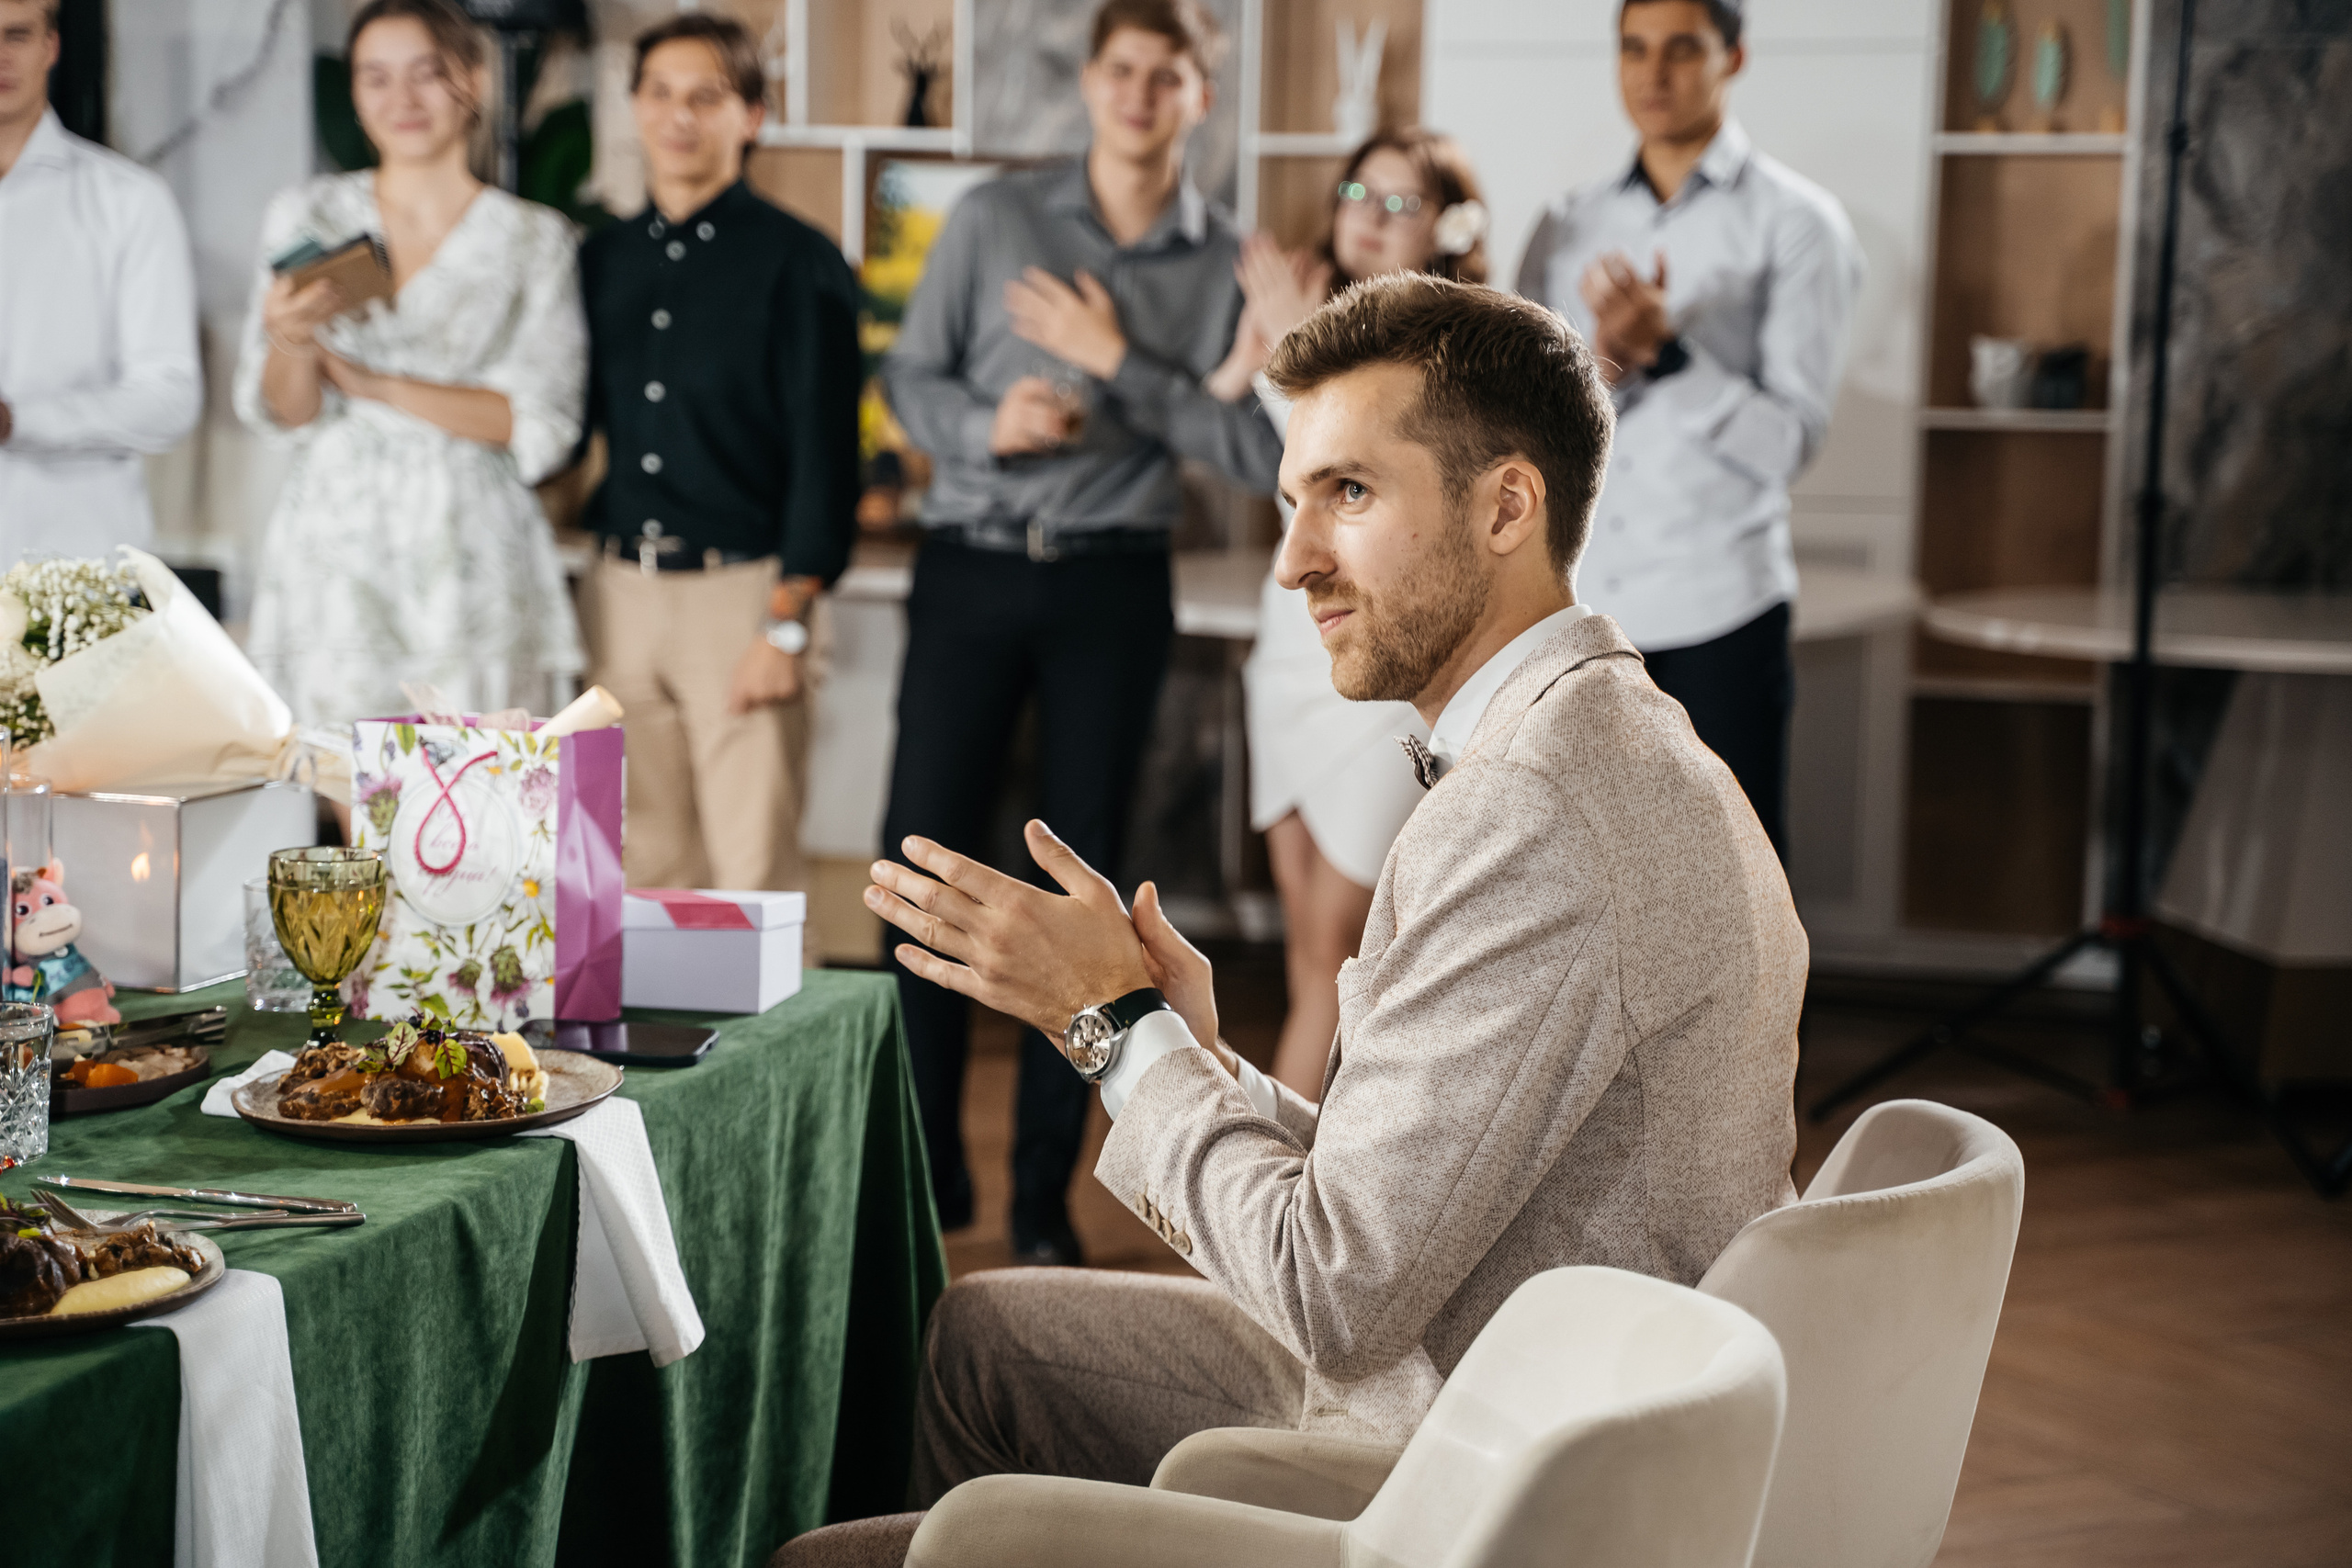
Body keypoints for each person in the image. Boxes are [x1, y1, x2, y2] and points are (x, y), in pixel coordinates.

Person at [804, 273, 1804, 1560]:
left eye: (1349, 492)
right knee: (974, 1334)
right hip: (1504, 1355)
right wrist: (1196, 1055)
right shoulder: (1613, 735)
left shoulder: (1533, 810)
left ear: (1508, 503)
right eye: (1294, 502)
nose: (1292, 562)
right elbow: (1449, 1159)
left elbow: (1339, 1292)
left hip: (1481, 1455)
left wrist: (1112, 1027)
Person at [878, 0, 1283, 1266]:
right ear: (1091, 82)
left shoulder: (1228, 264)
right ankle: (922, 1171)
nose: (1143, 93)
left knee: (1094, 888)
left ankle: (1046, 1194)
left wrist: (1119, 364)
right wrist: (983, 431)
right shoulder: (995, 219)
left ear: (1199, 95)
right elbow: (908, 378)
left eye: (1171, 74)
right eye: (1124, 69)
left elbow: (1262, 451)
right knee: (927, 865)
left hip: (1114, 584)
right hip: (973, 566)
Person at [1515, 0, 1860, 859]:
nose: (1652, 73)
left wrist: (1669, 353)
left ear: (1733, 57)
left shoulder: (1796, 222)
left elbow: (1786, 443)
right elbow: (1533, 423)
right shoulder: (1566, 224)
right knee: (1581, 877)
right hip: (1579, 610)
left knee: (1733, 883)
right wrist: (1618, 360)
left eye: (1681, 49)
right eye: (1633, 48)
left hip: (1721, 606)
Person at [1212, 127, 1491, 1099]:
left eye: (1399, 204)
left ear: (1448, 228)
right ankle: (1299, 1219)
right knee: (1306, 955)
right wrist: (1262, 342)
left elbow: (1359, 464)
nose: (1367, 220)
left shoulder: (1454, 347)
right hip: (1290, 646)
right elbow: (1224, 414)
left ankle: (1290, 1224)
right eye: (1356, 194)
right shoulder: (1307, 322)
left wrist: (1285, 346)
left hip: (1384, 654)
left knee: (1339, 963)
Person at [234, 0, 586, 725]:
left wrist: (375, 384)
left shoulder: (533, 239)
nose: (403, 100)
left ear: (473, 79)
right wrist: (289, 338)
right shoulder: (309, 215)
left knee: (481, 787)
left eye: (427, 74)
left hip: (469, 542)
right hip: (337, 536)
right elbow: (285, 409)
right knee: (348, 787)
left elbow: (539, 421)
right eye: (376, 78)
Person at [574, 15, 860, 893]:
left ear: (753, 116)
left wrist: (785, 622)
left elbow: (827, 457)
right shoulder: (601, 260)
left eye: (707, 96)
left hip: (743, 597)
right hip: (619, 597)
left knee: (751, 876)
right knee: (642, 866)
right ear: (634, 107)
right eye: (659, 93)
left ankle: (769, 1036)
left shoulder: (799, 262)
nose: (679, 116)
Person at [0, 0, 199, 567]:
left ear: (51, 46)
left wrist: (18, 421)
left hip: (79, 569)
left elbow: (169, 398)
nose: (0, 56)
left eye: (16, 34)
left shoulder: (128, 202)